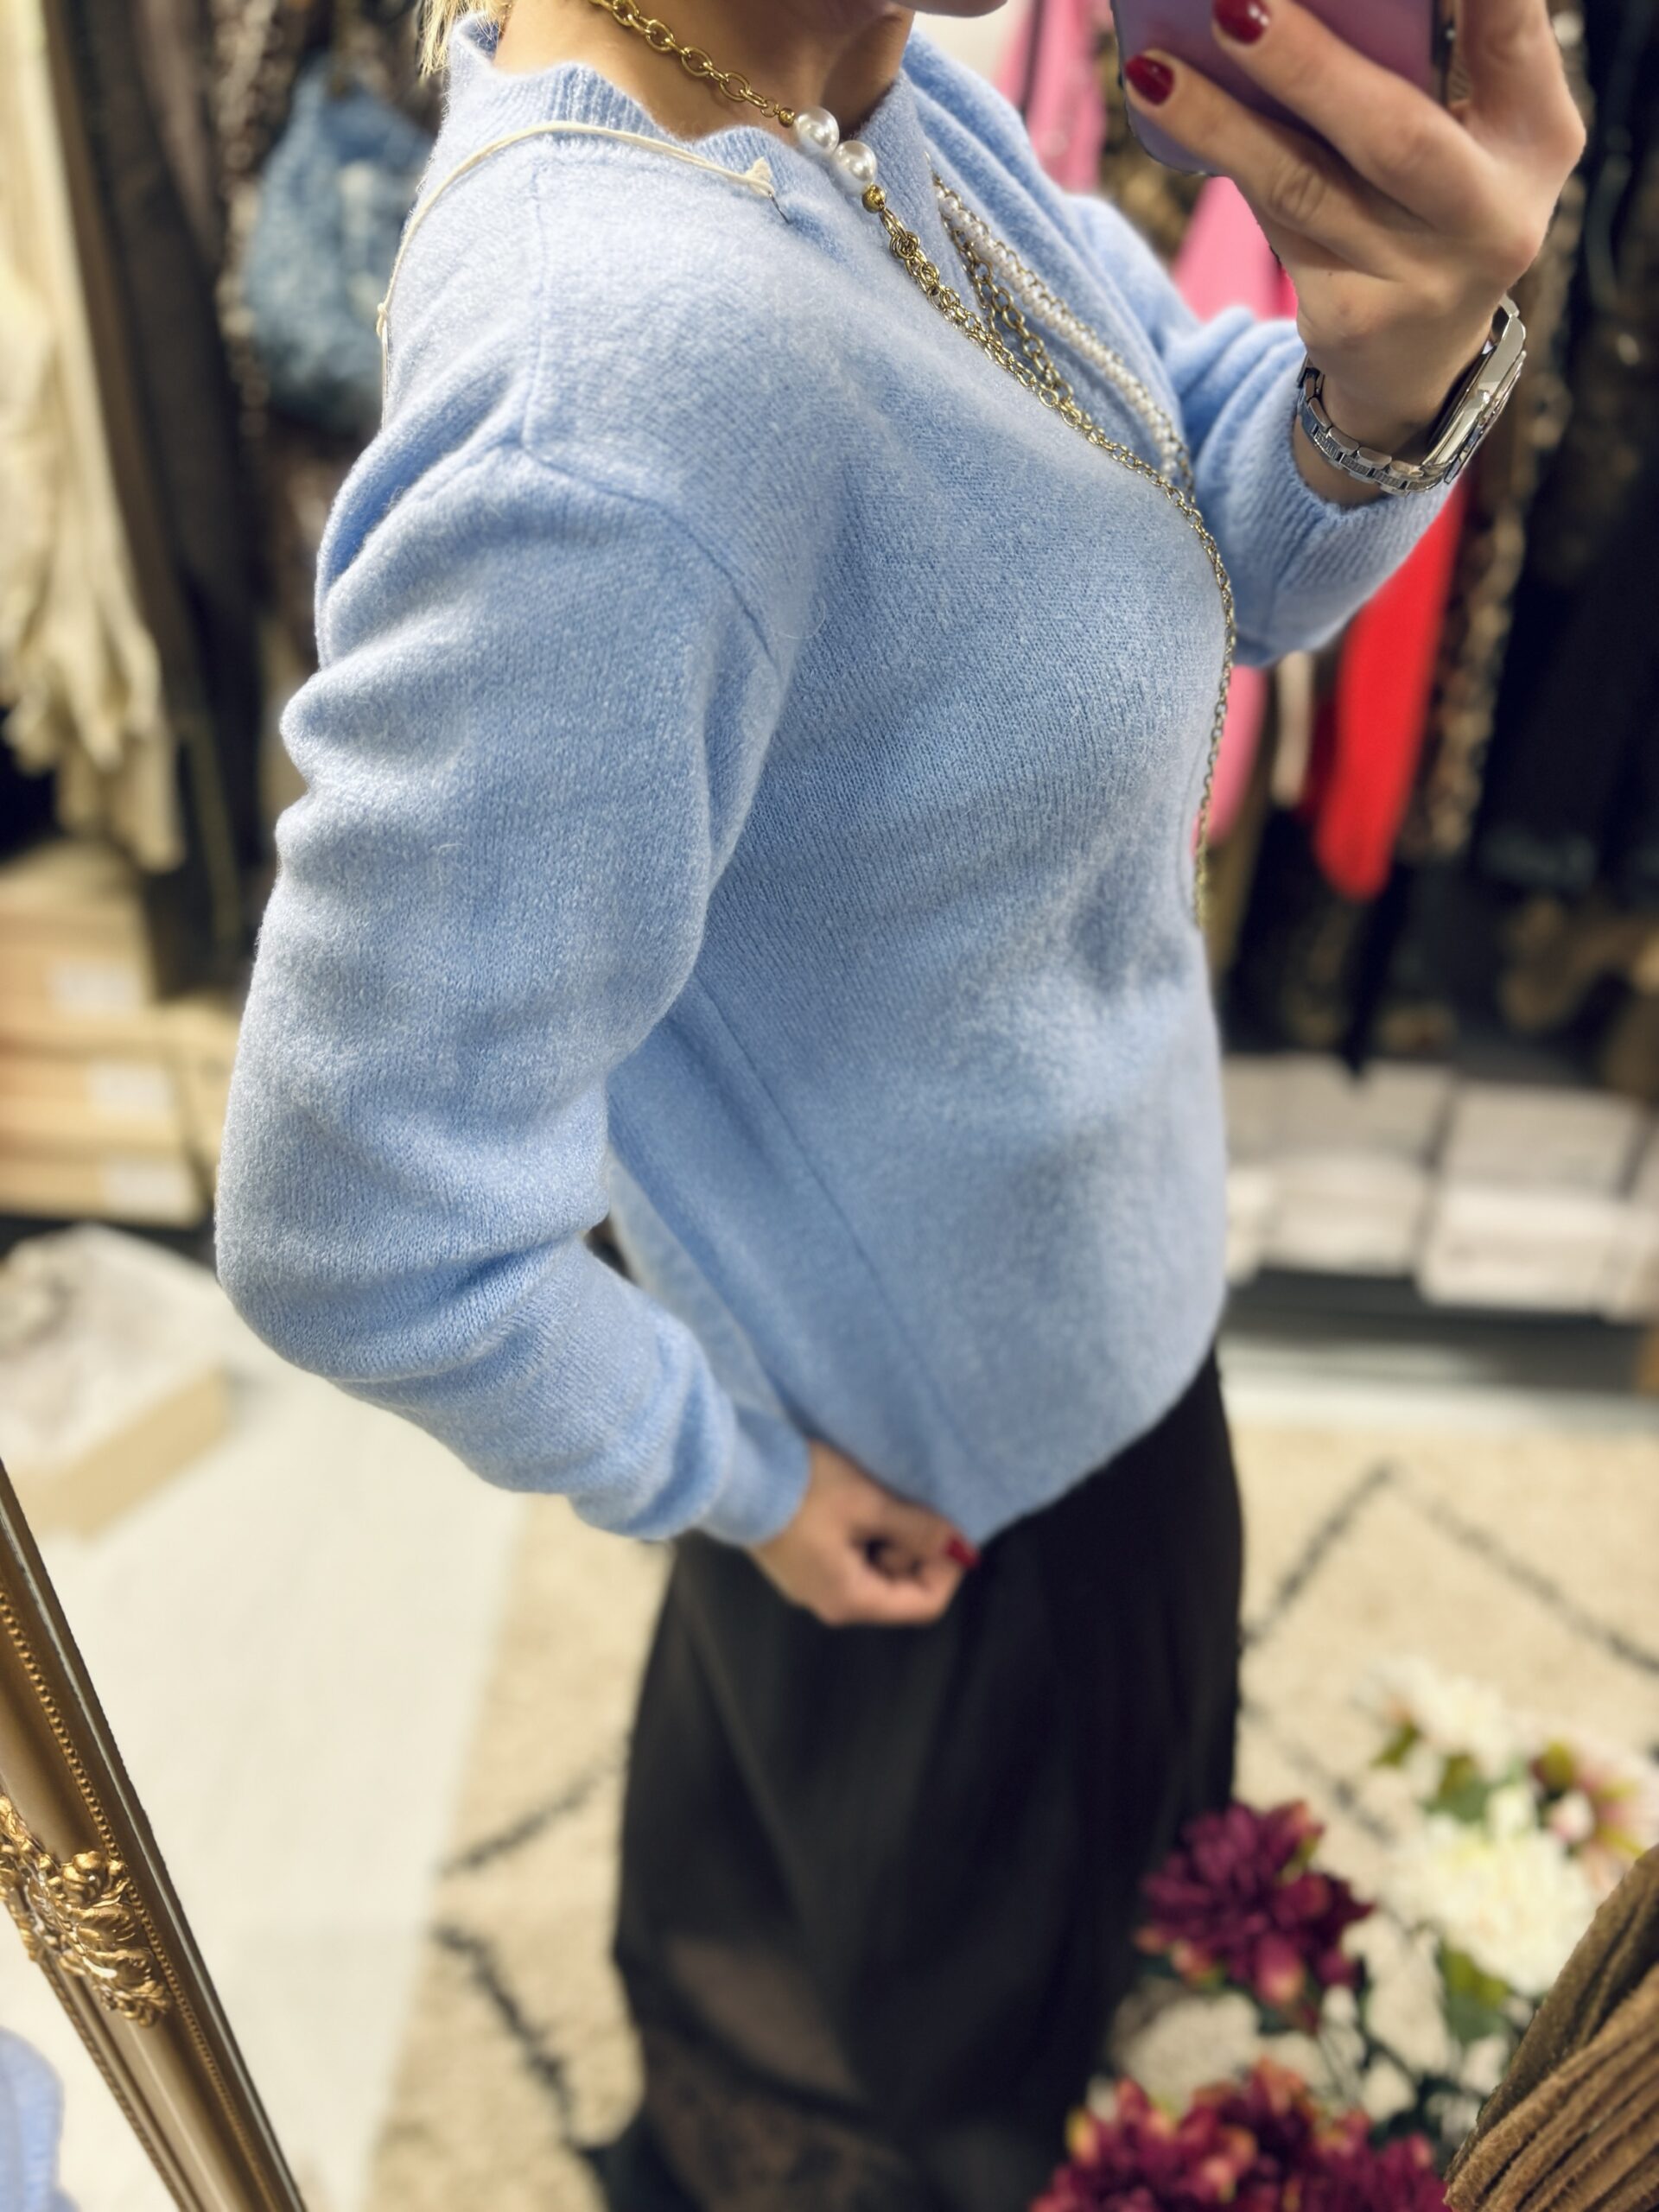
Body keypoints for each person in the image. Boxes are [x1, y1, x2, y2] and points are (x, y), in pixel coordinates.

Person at [213, 2, 1583, 2205]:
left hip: (1060, 1306)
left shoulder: (853, 82)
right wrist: (731, 1469)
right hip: (958, 1481)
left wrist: (1385, 373)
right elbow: (353, 1220)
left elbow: (1204, 541)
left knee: (975, 1915)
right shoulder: (627, 387)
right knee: (977, 2062)